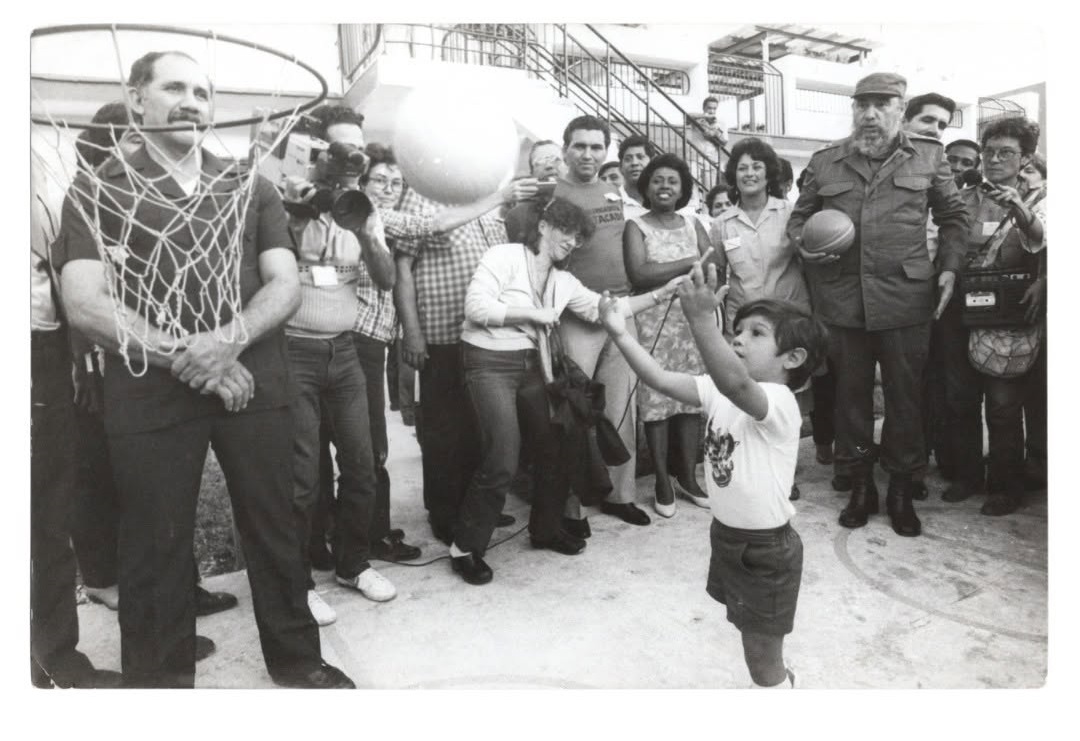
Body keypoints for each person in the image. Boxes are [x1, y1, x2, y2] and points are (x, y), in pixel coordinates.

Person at [53, 50, 353, 688]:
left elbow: (283, 284)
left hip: (254, 379)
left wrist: (226, 343)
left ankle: (299, 662)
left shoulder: (250, 185)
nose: (192, 101)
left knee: (275, 526)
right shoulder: (97, 189)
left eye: (202, 91)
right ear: (136, 99)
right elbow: (84, 301)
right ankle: (160, 687)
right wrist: (196, 358)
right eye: (174, 87)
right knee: (154, 543)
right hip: (149, 390)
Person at [598, 263, 828, 688]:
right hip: (727, 537)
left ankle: (781, 692)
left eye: (757, 333)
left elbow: (739, 386)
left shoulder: (777, 402)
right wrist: (618, 331)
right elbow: (659, 378)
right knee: (751, 640)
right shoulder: (717, 390)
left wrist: (702, 320)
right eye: (737, 330)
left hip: (765, 552)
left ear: (793, 358)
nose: (739, 338)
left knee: (762, 663)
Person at [450, 197, 687, 583]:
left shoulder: (563, 280)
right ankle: (465, 547)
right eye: (567, 231)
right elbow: (476, 307)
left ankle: (544, 530)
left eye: (579, 237)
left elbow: (608, 310)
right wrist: (532, 314)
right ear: (543, 226)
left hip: (531, 364)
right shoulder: (505, 256)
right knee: (503, 458)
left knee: (555, 446)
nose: (573, 242)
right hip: (489, 362)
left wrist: (663, 292)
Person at [68, 102, 239, 629]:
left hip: (152, 356)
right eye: (129, 143)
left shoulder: (168, 196)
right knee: (122, 493)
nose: (138, 154)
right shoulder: (94, 197)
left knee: (160, 493)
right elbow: (83, 300)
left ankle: (181, 590)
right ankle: (119, 591)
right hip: (104, 367)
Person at [787, 72, 969, 538]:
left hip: (906, 300)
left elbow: (953, 218)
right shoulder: (827, 161)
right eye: (862, 104)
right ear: (853, 109)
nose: (870, 113)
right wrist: (804, 247)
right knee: (850, 397)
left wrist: (949, 266)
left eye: (881, 104)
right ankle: (860, 485)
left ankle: (902, 490)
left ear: (900, 109)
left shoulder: (929, 155)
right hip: (842, 301)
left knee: (905, 399)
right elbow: (799, 219)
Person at [281, 104, 400, 627]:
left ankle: (353, 563)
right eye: (340, 148)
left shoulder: (361, 206)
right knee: (303, 478)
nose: (352, 158)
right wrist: (296, 213)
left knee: (362, 463)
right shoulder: (290, 202)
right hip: (293, 352)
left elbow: (387, 279)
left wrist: (371, 233)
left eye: (358, 145)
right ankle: (300, 581)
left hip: (344, 351)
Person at [507, 115, 652, 532]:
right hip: (573, 315)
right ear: (565, 149)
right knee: (570, 415)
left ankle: (620, 496)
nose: (588, 154)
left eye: (596, 147)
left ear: (606, 151)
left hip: (619, 312)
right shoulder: (549, 195)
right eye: (580, 146)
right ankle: (568, 506)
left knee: (621, 409)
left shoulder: (613, 191)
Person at [391, 160, 537, 549]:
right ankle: (444, 514)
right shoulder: (420, 194)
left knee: (478, 427)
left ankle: (474, 507)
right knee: (442, 431)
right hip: (440, 333)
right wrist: (413, 333)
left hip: (486, 336)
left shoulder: (488, 203)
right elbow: (401, 270)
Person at [30, 148, 122, 689]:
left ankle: (53, 655)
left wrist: (77, 357)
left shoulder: (41, 182)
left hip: (48, 348)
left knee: (50, 506)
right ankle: (51, 659)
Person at [939, 118, 1045, 515]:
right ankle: (967, 475)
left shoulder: (1038, 200)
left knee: (1003, 402)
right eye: (989, 152)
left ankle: (1005, 484)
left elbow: (1043, 243)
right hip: (960, 308)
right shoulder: (963, 198)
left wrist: (1018, 208)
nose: (995, 159)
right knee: (960, 397)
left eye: (1007, 153)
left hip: (1008, 312)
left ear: (1026, 158)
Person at [624, 153, 713, 517]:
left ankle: (687, 477)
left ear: (683, 188)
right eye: (658, 180)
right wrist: (691, 263)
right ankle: (662, 479)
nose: (665, 186)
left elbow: (714, 263)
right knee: (657, 402)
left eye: (672, 181)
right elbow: (640, 274)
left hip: (691, 323)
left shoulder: (694, 223)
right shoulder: (636, 226)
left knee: (691, 400)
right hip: (652, 322)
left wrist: (701, 266)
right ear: (646, 186)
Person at [1018, 152, 1047, 490]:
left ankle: (1039, 462)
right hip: (1019, 304)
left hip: (1044, 304)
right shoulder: (1019, 198)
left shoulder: (1047, 200)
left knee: (1041, 394)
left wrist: (1046, 281)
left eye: (1030, 171)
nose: (1023, 176)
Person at [618, 134, 657, 215]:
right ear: (620, 167)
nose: (634, 163)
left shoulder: (663, 200)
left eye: (640, 157)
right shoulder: (612, 201)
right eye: (628, 159)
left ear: (653, 163)